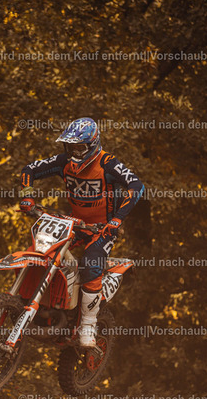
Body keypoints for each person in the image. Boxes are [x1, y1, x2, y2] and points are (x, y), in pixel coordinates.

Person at [19, 117, 144, 348]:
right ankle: (26, 302)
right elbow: (30, 169)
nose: (74, 152)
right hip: (74, 223)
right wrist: (27, 195)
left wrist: (117, 219)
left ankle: (88, 325)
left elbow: (136, 185)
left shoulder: (107, 163)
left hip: (102, 229)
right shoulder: (64, 161)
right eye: (71, 147)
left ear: (93, 145)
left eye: (80, 147)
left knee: (91, 263)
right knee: (41, 250)